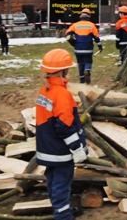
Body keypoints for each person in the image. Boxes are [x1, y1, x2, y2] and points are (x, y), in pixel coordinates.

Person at [35, 48, 87, 220]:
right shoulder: (62, 94)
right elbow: (64, 126)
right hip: (60, 150)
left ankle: (62, 210)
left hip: (47, 146)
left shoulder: (45, 90)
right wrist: (76, 148)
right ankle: (63, 216)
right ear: (63, 71)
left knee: (52, 180)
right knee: (61, 184)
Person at [65, 8, 102, 84]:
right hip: (88, 48)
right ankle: (87, 70)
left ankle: (82, 80)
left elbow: (67, 33)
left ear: (81, 16)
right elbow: (96, 37)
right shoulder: (91, 25)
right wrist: (100, 46)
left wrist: (72, 40)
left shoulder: (75, 25)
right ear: (89, 16)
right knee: (88, 61)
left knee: (80, 64)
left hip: (78, 48)